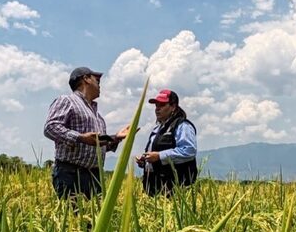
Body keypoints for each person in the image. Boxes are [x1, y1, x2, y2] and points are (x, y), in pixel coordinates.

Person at [44, 66, 130, 199]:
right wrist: (80, 137)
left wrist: (116, 138)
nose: (99, 84)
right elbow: (50, 127)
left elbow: (96, 144)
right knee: (74, 217)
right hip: (71, 174)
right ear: (86, 79)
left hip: (94, 176)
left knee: (94, 219)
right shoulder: (67, 101)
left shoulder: (97, 116)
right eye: (97, 80)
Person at [136, 89, 198, 195]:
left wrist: (159, 156)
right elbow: (155, 154)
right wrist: (145, 161)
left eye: (162, 105)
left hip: (174, 188)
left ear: (173, 107)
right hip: (153, 187)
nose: (157, 109)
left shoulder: (182, 126)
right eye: (156, 105)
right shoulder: (157, 129)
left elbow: (189, 150)